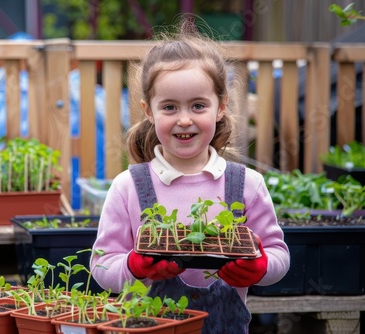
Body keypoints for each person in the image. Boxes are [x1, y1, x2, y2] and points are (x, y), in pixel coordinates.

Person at [90, 18, 290, 333]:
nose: (184, 119)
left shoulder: (246, 184)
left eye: (198, 106)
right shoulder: (128, 186)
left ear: (221, 107)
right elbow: (102, 265)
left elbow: (279, 255)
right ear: (148, 111)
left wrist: (261, 268)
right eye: (169, 107)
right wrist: (133, 266)